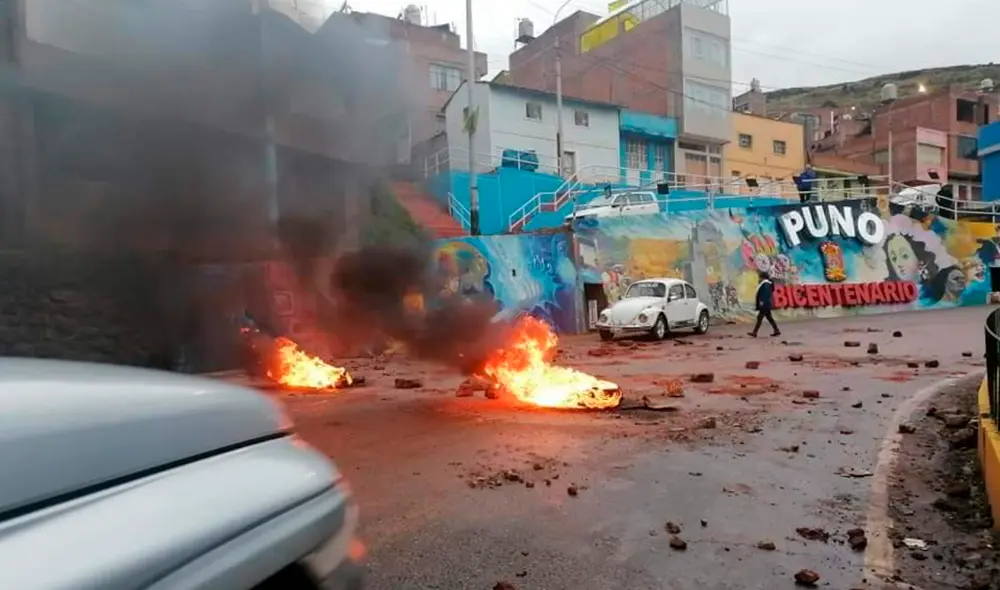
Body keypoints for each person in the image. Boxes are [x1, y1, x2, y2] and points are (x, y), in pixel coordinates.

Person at [748, 271, 781, 337]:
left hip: (764, 304)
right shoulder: (767, 284)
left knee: (760, 318)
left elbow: (765, 294)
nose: (759, 279)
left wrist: (762, 302)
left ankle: (755, 332)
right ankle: (776, 330)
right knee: (769, 318)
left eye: (760, 277)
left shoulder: (765, 284)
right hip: (766, 304)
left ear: (763, 278)